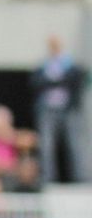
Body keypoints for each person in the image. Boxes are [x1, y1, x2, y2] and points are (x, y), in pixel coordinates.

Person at [30, 36, 85, 185]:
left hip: (68, 110)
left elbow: (75, 81)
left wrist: (54, 82)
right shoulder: (44, 65)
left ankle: (79, 177)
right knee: (47, 145)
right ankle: (49, 178)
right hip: (48, 110)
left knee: (73, 144)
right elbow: (36, 83)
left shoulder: (70, 64)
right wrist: (56, 82)